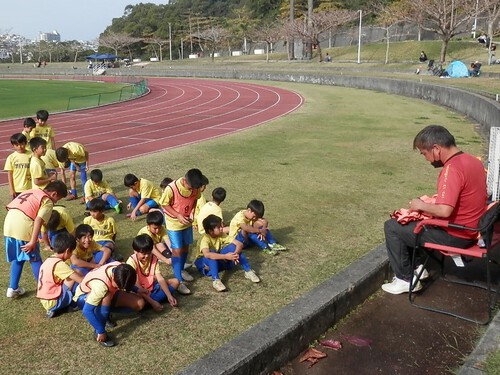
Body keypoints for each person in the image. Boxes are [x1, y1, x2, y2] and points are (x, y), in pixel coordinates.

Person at [381, 125, 488, 295]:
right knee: (411, 222)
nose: (427, 159)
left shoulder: (452, 169)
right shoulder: (473, 160)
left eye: (424, 153)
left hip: (458, 235)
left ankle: (405, 280)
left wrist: (420, 205)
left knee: (393, 227)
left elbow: (445, 211)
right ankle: (418, 269)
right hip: (473, 228)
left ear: (436, 148)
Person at [4, 180, 68, 298]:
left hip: (8, 225)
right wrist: (33, 241)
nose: (56, 202)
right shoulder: (47, 201)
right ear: (54, 194)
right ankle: (45, 289)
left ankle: (12, 288)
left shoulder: (32, 190)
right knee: (34, 258)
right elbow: (39, 220)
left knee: (19, 257)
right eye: (57, 199)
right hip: (23, 227)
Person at [159, 168, 209, 295]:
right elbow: (164, 204)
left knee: (186, 248)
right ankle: (179, 280)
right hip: (174, 224)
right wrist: (178, 215)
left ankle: (180, 269)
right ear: (186, 182)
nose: (195, 190)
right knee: (177, 250)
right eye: (193, 187)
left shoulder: (195, 188)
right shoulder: (172, 189)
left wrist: (192, 212)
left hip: (187, 222)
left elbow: (195, 199)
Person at [73, 262, 145, 347]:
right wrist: (101, 331)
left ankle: (105, 312)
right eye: (119, 286)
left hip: (107, 291)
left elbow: (124, 281)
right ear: (113, 276)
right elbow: (87, 310)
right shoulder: (101, 286)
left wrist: (137, 290)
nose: (120, 289)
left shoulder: (120, 267)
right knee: (107, 295)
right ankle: (99, 332)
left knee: (140, 303)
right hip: (83, 297)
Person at [195, 214, 260, 292]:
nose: (222, 228)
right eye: (219, 227)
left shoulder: (221, 234)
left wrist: (234, 255)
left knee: (233, 247)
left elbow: (239, 244)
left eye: (221, 226)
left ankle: (248, 271)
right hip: (205, 265)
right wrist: (225, 256)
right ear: (210, 231)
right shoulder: (205, 239)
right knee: (212, 254)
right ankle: (216, 280)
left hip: (219, 261)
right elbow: (207, 254)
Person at [126, 234, 178, 311]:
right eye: (143, 254)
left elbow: (160, 278)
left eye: (149, 253)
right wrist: (153, 302)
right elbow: (136, 286)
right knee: (139, 300)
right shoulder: (131, 261)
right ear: (135, 251)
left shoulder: (153, 258)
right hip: (139, 291)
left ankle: (152, 301)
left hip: (152, 287)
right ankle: (152, 301)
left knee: (176, 282)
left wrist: (169, 296)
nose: (147, 256)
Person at [36, 232, 83, 318]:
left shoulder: (49, 259)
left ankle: (54, 308)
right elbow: (80, 280)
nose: (71, 255)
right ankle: (71, 304)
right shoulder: (59, 265)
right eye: (71, 252)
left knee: (73, 272)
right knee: (76, 274)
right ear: (68, 251)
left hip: (45, 299)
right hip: (53, 301)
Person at [4, 133, 31, 199]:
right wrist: (11, 189)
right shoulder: (11, 157)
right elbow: (10, 174)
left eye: (22, 144)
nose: (20, 146)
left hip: (31, 187)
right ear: (13, 145)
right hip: (17, 189)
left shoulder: (32, 154)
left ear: (26, 143)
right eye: (17, 145)